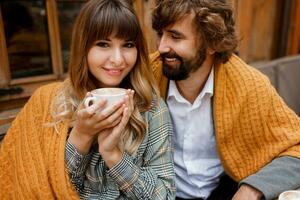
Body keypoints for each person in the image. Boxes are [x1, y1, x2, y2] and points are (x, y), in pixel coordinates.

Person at [0, 0, 175, 199]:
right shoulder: (49, 102)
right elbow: (44, 188)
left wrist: (114, 156)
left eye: (127, 45)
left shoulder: (151, 107)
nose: (118, 59)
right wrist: (81, 136)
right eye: (103, 44)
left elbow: (166, 195)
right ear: (83, 48)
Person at [150, 0, 300, 200]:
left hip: (225, 191)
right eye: (161, 34)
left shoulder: (249, 85)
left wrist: (253, 188)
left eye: (175, 37)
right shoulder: (147, 75)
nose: (161, 47)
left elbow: (296, 147)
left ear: (212, 43)